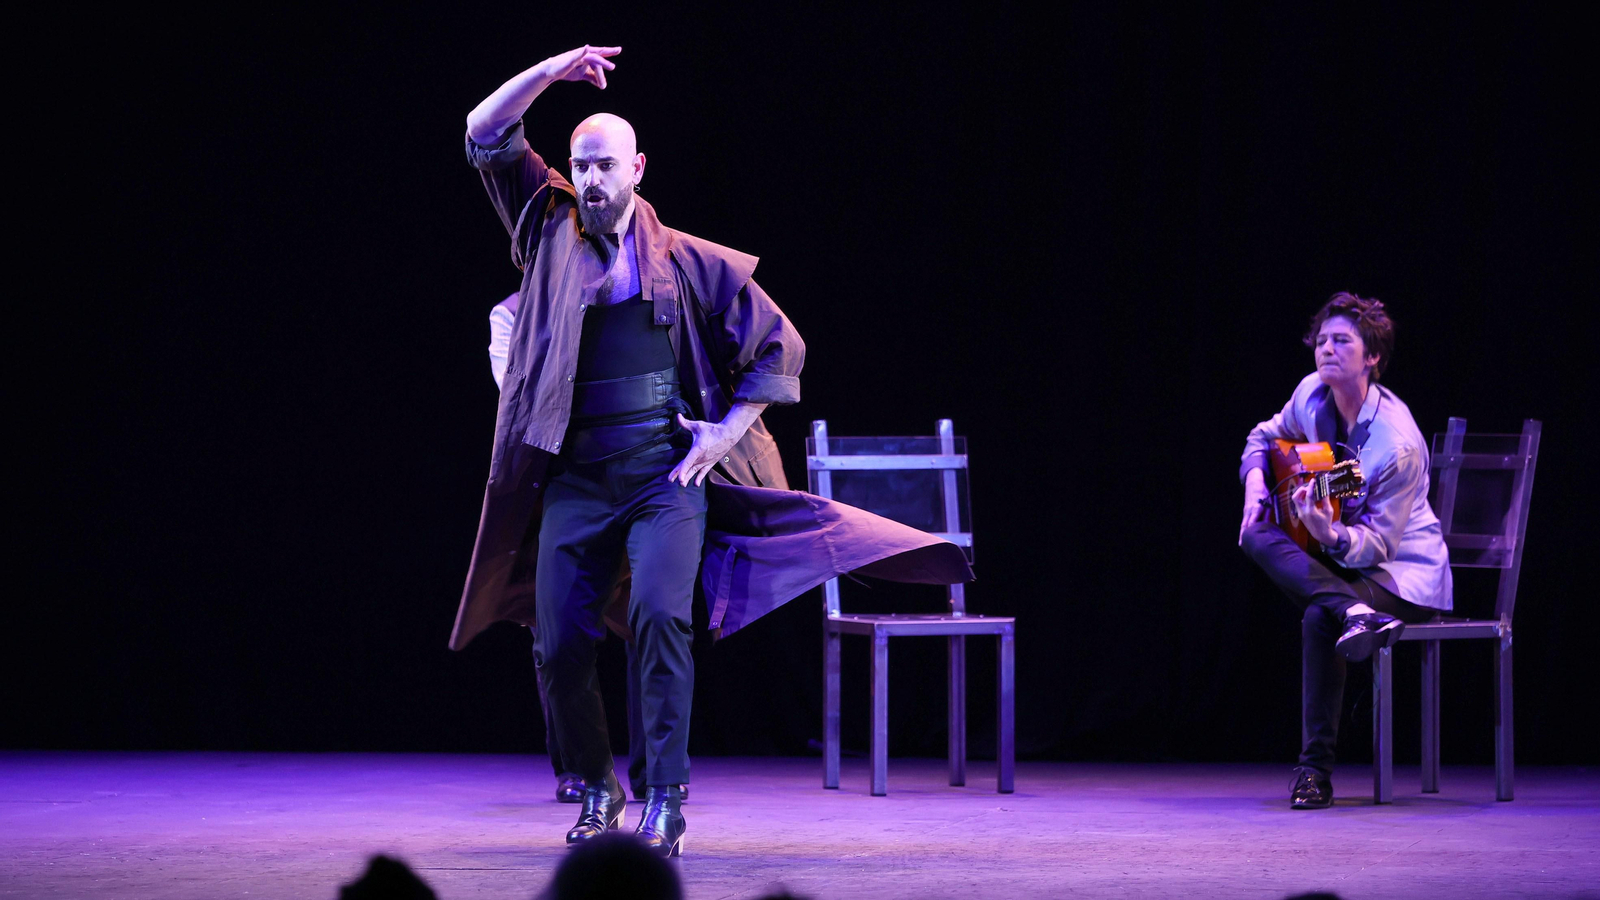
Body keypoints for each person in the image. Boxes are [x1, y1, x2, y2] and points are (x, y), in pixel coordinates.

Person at [453, 45, 971, 856]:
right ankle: (595, 784)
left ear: (637, 169)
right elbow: (485, 129)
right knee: (556, 637)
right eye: (580, 165)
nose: (589, 180)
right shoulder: (544, 227)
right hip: (576, 476)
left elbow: (779, 348)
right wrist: (553, 73)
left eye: (604, 166)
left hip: (666, 474)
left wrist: (725, 433)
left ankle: (666, 795)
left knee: (662, 617)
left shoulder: (688, 259)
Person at [1238, 292, 1452, 810]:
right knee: (1254, 532)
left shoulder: (1396, 444)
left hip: (1402, 574)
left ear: (1372, 356)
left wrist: (1329, 535)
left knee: (1319, 617)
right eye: (1323, 340)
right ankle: (1354, 609)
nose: (1326, 350)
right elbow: (1263, 436)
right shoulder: (1312, 394)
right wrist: (1255, 486)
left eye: (1342, 341)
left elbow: (1380, 544)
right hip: (1349, 574)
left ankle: (1314, 773)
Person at [490, 293, 680, 806]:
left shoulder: (637, 295)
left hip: (642, 475)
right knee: (553, 627)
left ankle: (653, 771)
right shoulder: (512, 315)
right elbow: (522, 402)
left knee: (652, 612)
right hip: (570, 477)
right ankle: (576, 766)